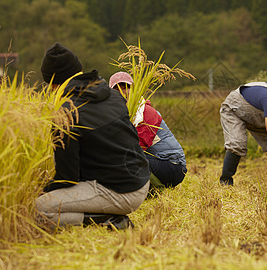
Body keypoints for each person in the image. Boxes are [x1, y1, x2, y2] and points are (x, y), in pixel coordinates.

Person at [36, 43, 150, 229]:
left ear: (54, 85)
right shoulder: (113, 96)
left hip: (119, 191)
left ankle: (104, 221)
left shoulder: (66, 113)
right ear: (79, 71)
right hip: (140, 180)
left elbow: (68, 177)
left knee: (36, 209)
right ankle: (103, 215)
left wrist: (41, 190)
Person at [109, 71, 187, 192]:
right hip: (154, 162)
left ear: (134, 90)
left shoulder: (145, 113)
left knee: (126, 157)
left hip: (172, 166)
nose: (122, 92)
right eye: (118, 88)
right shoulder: (121, 115)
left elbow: (138, 147)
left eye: (126, 87)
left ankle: (154, 189)